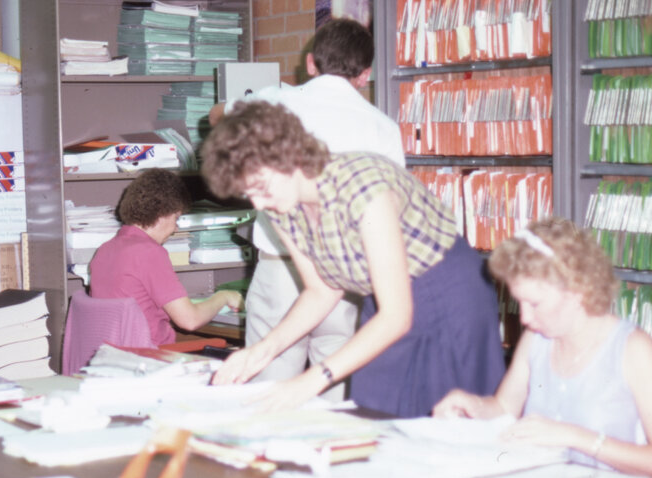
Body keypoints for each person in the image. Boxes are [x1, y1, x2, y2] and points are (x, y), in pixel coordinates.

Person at [200, 101, 505, 417]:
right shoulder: (283, 205)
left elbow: (397, 316)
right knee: (376, 415)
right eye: (249, 194)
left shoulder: (363, 190)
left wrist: (311, 380)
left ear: (287, 156)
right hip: (387, 300)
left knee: (447, 425)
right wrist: (262, 351)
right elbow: (321, 290)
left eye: (261, 188)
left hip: (448, 296)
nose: (259, 203)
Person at [209, 18, 405, 398]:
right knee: (334, 382)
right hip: (348, 273)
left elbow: (218, 115)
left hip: (280, 267)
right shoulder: (383, 127)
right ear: (365, 75)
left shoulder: (275, 101)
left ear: (311, 64)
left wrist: (224, 114)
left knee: (268, 383)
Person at [434, 219, 652, 473]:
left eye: (534, 304)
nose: (524, 318)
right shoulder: (535, 340)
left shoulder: (633, 350)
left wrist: (574, 437)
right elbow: (504, 409)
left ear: (577, 290)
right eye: (520, 303)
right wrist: (472, 406)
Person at [89, 169, 243, 346]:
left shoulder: (105, 250)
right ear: (162, 212)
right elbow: (189, 320)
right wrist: (223, 297)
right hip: (151, 359)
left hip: (117, 359)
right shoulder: (148, 252)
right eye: (176, 218)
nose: (175, 228)